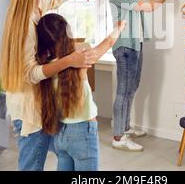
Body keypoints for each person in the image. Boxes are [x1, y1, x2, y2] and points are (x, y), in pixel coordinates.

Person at [0, 0, 98, 171]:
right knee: (32, 166)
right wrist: (68, 60)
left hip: (35, 104)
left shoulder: (37, 4)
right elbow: (29, 73)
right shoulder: (24, 21)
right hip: (28, 110)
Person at [36, 14, 126, 171]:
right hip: (82, 133)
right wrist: (120, 27)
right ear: (67, 34)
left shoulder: (45, 67)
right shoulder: (82, 60)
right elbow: (109, 41)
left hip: (58, 133)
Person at [109, 0, 179, 152]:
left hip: (136, 43)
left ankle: (126, 127)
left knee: (132, 87)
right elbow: (148, 7)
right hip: (124, 45)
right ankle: (118, 136)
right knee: (123, 90)